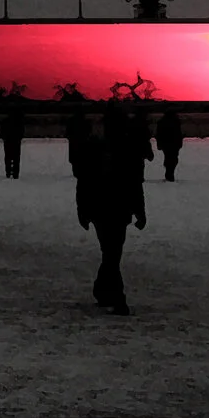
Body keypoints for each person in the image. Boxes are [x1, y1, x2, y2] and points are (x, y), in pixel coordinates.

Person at [81, 112, 149, 315]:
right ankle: (117, 297)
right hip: (106, 209)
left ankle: (102, 289)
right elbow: (85, 182)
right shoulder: (98, 149)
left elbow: (134, 184)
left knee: (111, 253)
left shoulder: (124, 149)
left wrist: (140, 211)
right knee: (111, 253)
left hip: (114, 209)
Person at [154, 110, 184, 182]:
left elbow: (159, 134)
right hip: (173, 144)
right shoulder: (176, 121)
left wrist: (159, 144)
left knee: (169, 158)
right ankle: (169, 173)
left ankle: (169, 173)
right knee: (172, 159)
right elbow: (178, 134)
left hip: (167, 144)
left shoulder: (162, 122)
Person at [0, 111, 26, 179]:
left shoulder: (5, 121)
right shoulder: (19, 122)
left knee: (8, 157)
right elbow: (22, 131)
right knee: (16, 157)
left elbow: (2, 131)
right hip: (16, 141)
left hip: (8, 140)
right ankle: (15, 173)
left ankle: (8, 172)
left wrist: (4, 138)